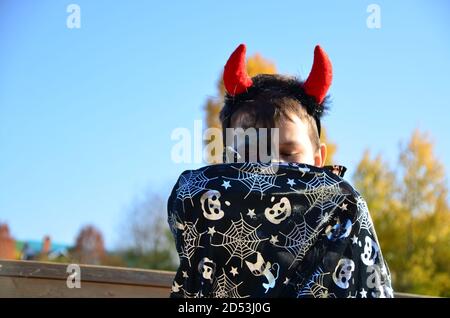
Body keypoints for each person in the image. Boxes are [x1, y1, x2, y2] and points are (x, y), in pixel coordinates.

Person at [167, 44, 393, 298]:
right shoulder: (200, 208)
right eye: (252, 155)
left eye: (288, 154)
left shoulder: (343, 211)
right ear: (226, 162)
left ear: (318, 161)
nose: (271, 167)